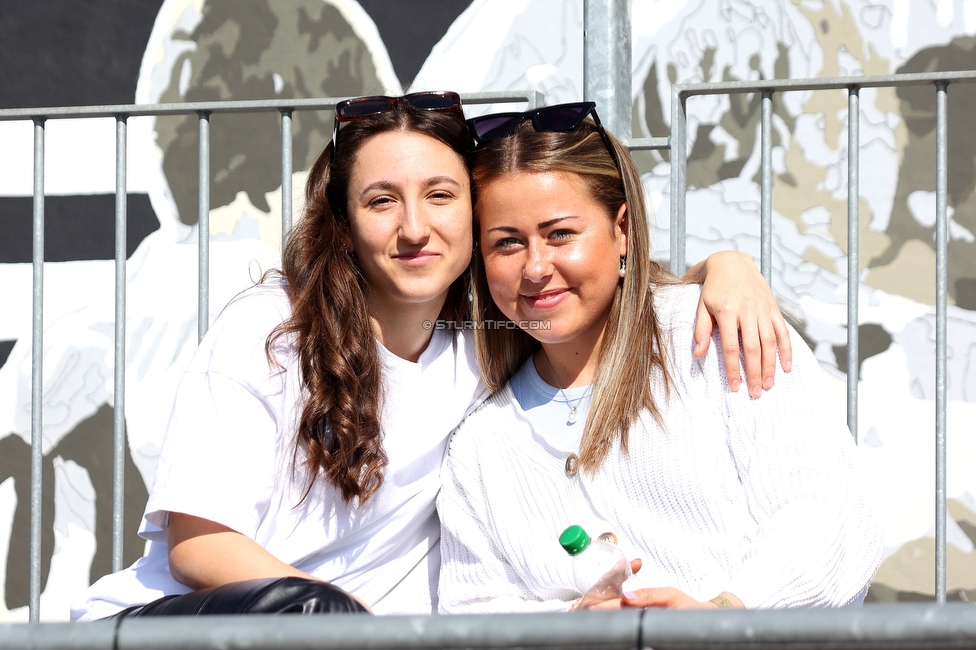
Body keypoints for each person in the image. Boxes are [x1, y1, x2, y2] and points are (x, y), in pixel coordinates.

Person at [72, 93, 789, 621]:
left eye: (440, 195)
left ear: (473, 220)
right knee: (309, 617)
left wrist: (723, 269)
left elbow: (590, 290)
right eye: (382, 201)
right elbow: (199, 547)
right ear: (346, 227)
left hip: (349, 643)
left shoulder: (483, 347)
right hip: (192, 627)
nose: (415, 227)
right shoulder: (271, 331)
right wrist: (346, 624)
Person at [437, 102, 883, 613]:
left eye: (561, 233)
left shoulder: (720, 336)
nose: (536, 267)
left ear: (621, 228)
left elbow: (831, 516)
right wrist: (570, 624)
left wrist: (724, 616)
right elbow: (471, 607)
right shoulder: (480, 444)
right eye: (507, 243)